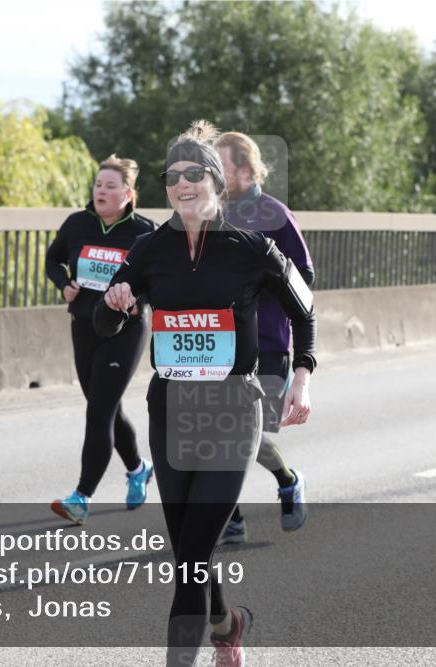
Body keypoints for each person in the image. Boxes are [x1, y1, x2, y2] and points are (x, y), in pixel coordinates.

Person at [94, 121, 317, 667]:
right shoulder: (148, 251)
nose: (183, 184)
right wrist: (116, 301)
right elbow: (103, 323)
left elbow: (304, 308)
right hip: (170, 412)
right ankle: (227, 624)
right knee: (192, 554)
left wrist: (303, 374)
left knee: (189, 558)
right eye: (173, 176)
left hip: (233, 411)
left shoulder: (251, 247)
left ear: (216, 182)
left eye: (195, 174)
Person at [45, 155, 156, 525]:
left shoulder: (143, 232)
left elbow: (158, 277)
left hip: (125, 330)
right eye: (97, 185)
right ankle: (138, 468)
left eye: (110, 187)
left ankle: (81, 496)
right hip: (84, 325)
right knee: (104, 404)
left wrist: (137, 299)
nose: (101, 192)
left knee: (99, 410)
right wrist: (64, 285)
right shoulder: (77, 224)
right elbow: (52, 259)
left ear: (127, 194)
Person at [215, 132, 315, 543]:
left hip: (268, 343)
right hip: (220, 342)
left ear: (243, 170)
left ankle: (288, 480)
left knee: (242, 436)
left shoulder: (275, 214)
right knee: (215, 431)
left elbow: (303, 280)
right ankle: (231, 518)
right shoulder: (211, 213)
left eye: (219, 166)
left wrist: (261, 288)